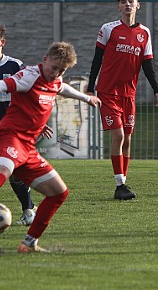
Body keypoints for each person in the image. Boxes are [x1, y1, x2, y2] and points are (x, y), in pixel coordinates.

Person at [0, 41, 101, 252]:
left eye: (61, 70)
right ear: (45, 59)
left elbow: (61, 87)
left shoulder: (55, 80)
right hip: (10, 138)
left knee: (58, 193)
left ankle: (29, 244)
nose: (56, 73)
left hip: (28, 148)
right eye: (54, 67)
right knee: (2, 173)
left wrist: (85, 98)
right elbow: (4, 85)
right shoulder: (29, 76)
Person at [87, 0, 158, 200]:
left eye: (131, 1)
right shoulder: (108, 29)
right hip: (108, 91)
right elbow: (97, 60)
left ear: (138, 5)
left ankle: (123, 184)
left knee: (128, 140)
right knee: (119, 135)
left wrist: (156, 90)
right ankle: (120, 184)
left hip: (128, 94)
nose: (127, 4)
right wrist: (90, 87)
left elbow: (148, 65)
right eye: (123, 1)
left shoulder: (144, 33)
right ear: (118, 7)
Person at [0, 24, 37, 226]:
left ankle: (28, 209)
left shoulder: (14, 66)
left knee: (13, 172)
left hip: (10, 130)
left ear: (2, 42)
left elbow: (29, 93)